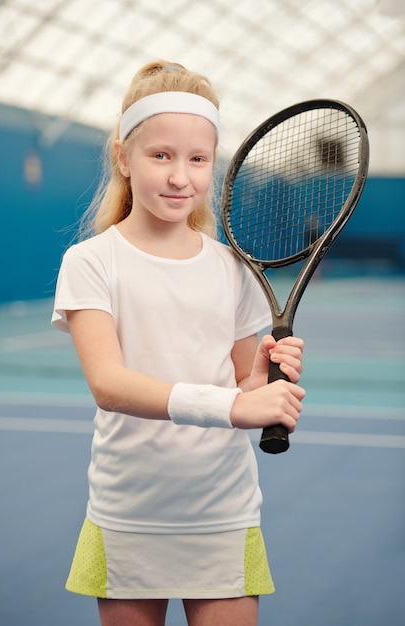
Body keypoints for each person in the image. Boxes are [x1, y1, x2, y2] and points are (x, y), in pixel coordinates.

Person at [52, 60, 305, 626]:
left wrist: (265, 380)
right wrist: (237, 405)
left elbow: (245, 382)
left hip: (223, 511)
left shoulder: (234, 269)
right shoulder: (90, 262)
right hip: (128, 512)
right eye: (160, 155)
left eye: (197, 159)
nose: (179, 177)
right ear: (123, 156)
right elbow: (110, 386)